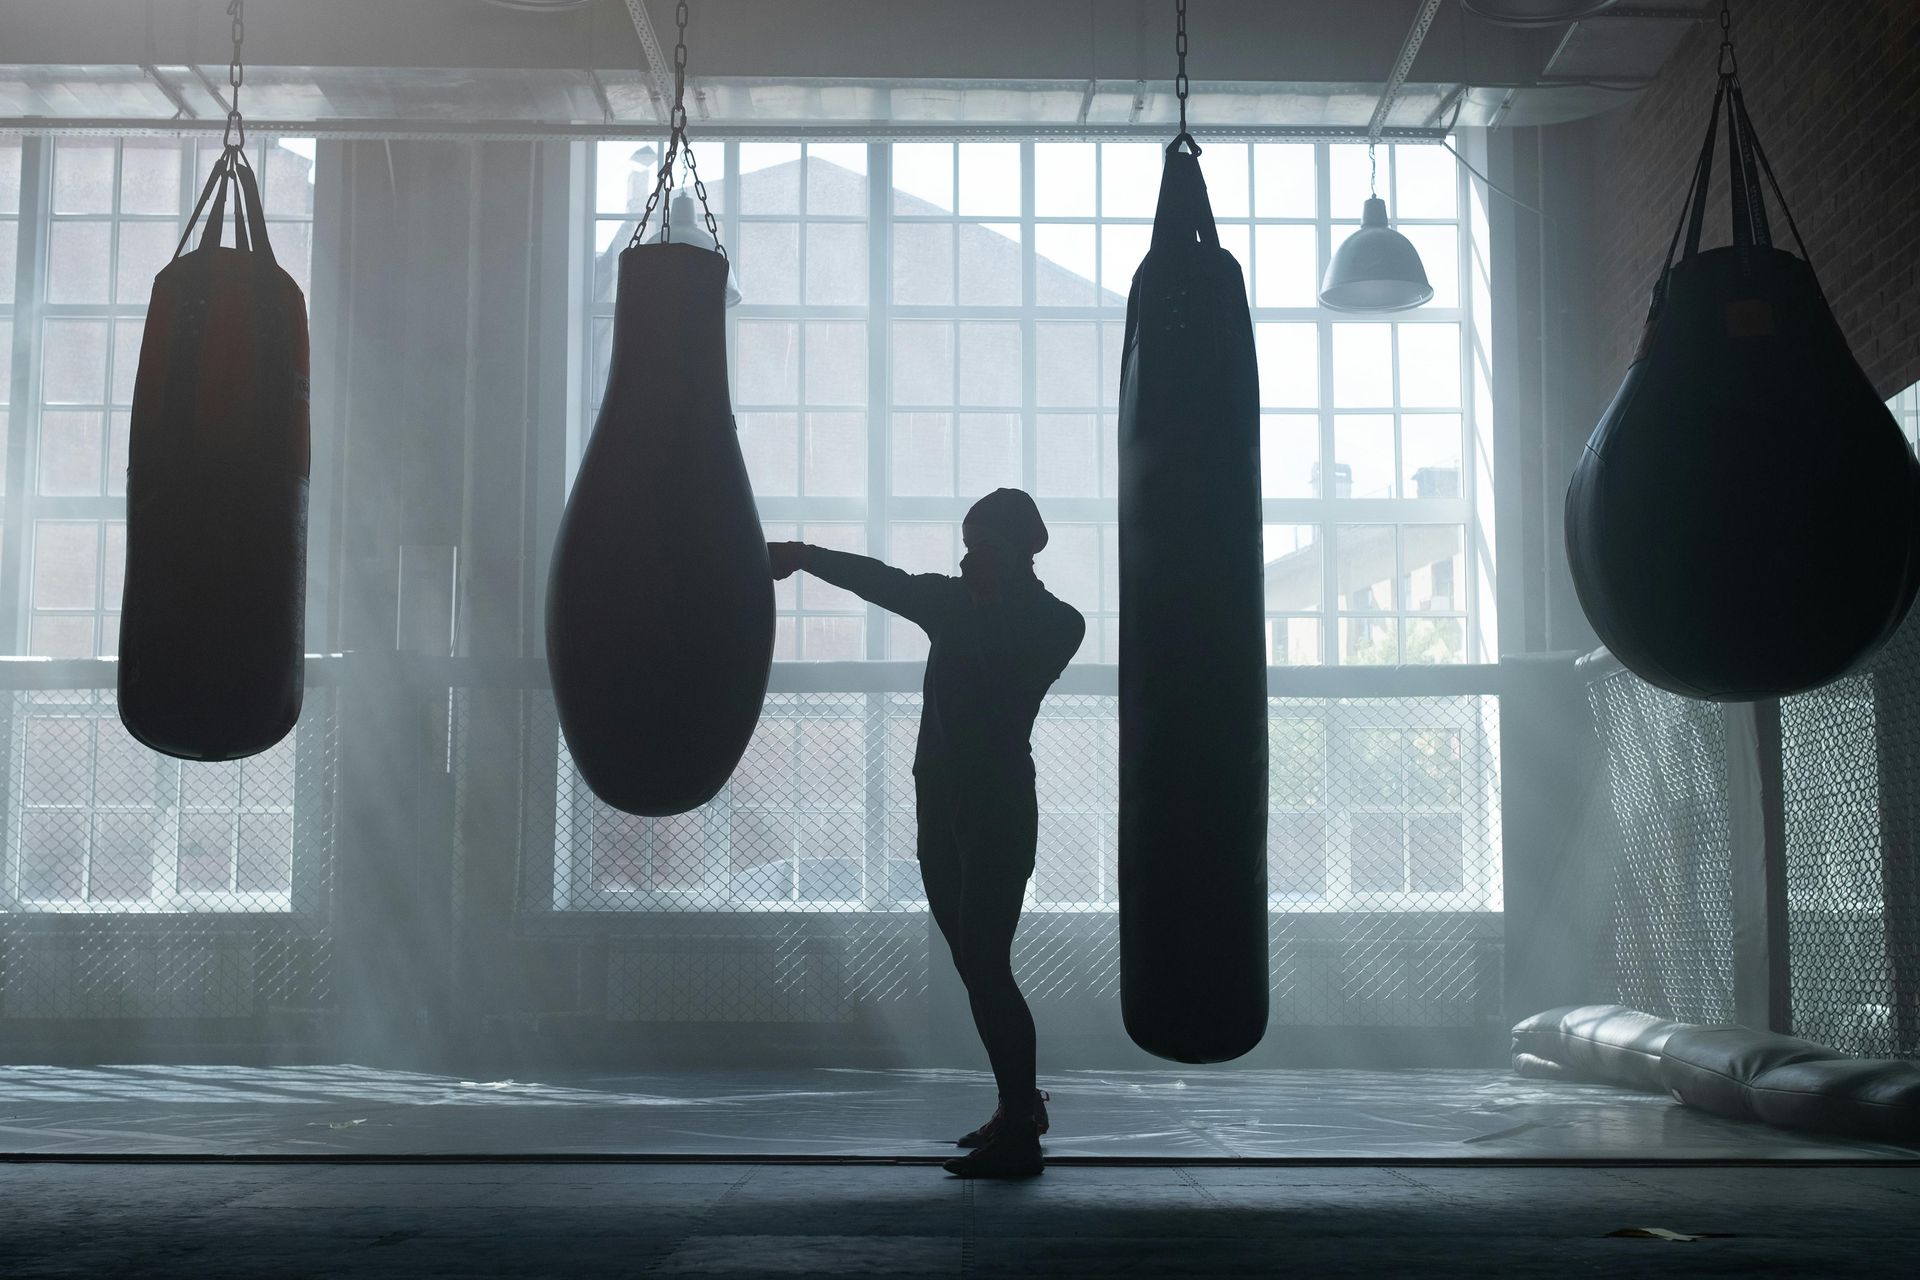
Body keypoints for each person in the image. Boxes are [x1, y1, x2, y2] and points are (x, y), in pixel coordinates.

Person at [768, 488, 1084, 1179]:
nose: (970, 558)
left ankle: (1021, 1127)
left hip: (996, 805)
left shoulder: (1057, 623)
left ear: (1020, 550)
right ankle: (1020, 1107)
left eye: (985, 546)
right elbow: (879, 579)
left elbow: (1007, 686)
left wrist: (984, 605)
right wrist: (802, 556)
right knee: (976, 966)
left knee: (988, 963)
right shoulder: (952, 605)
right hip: (940, 804)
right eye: (968, 544)